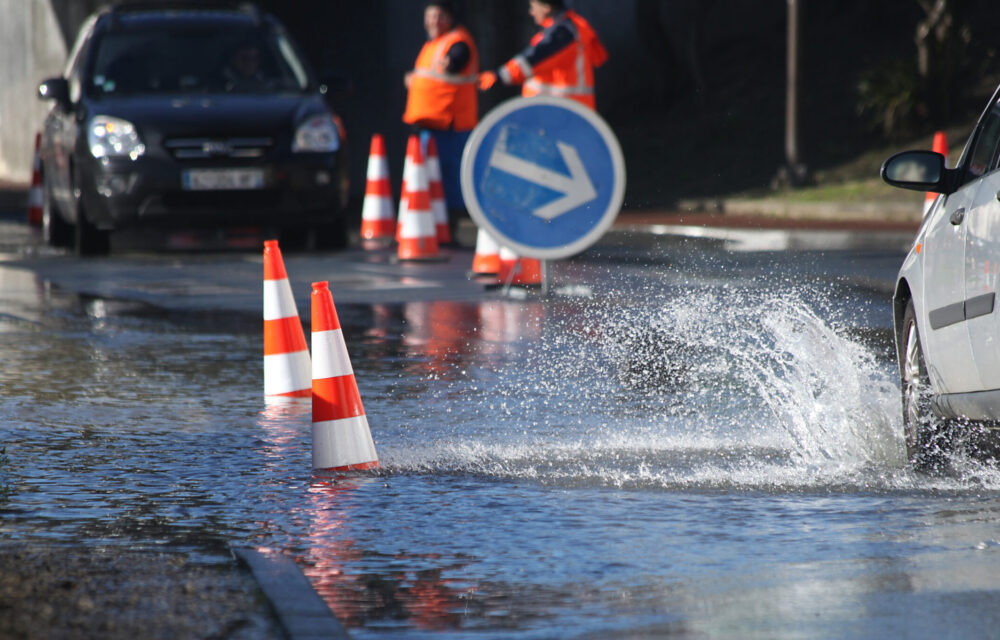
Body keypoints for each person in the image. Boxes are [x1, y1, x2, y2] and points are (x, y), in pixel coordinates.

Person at [403, 0, 479, 225]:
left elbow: (456, 60)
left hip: (450, 125)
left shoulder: (458, 41)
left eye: (439, 16)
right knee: (431, 178)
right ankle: (436, 225)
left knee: (448, 179)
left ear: (449, 18)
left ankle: (450, 224)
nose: (433, 21)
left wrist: (450, 62)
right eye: (430, 16)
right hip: (431, 124)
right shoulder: (433, 44)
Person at [478, 0, 607, 110]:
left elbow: (535, 58)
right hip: (562, 112)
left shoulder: (563, 33)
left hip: (563, 114)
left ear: (546, 7)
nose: (531, 12)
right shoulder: (566, 27)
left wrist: (500, 76)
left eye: (533, 6)